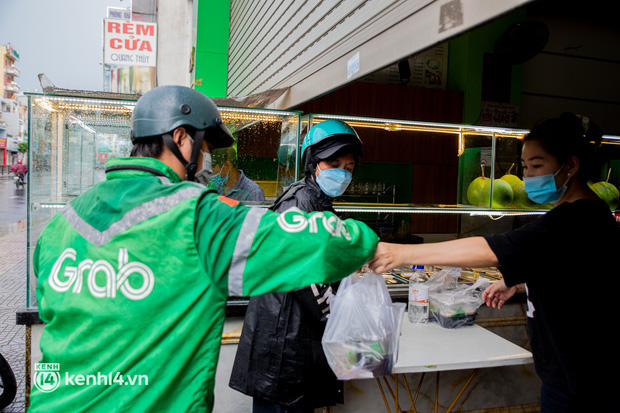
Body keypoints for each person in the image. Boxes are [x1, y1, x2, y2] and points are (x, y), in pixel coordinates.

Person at [28, 86, 379, 413]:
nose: (208, 157)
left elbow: (53, 307)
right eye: (207, 147)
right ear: (181, 138)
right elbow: (322, 245)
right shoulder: (197, 215)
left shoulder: (62, 222)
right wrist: (371, 243)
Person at [368, 113, 619, 412]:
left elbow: (492, 250)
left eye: (537, 165)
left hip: (584, 383)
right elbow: (575, 273)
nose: (528, 176)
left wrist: (401, 254)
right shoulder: (585, 214)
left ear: (571, 165)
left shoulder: (576, 218)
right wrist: (521, 280)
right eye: (525, 167)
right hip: (569, 376)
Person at [229, 120, 363, 412]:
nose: (343, 171)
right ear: (313, 164)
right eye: (334, 163)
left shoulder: (317, 200)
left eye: (349, 166)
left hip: (293, 341)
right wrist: (339, 316)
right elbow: (305, 273)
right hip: (283, 347)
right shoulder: (299, 204)